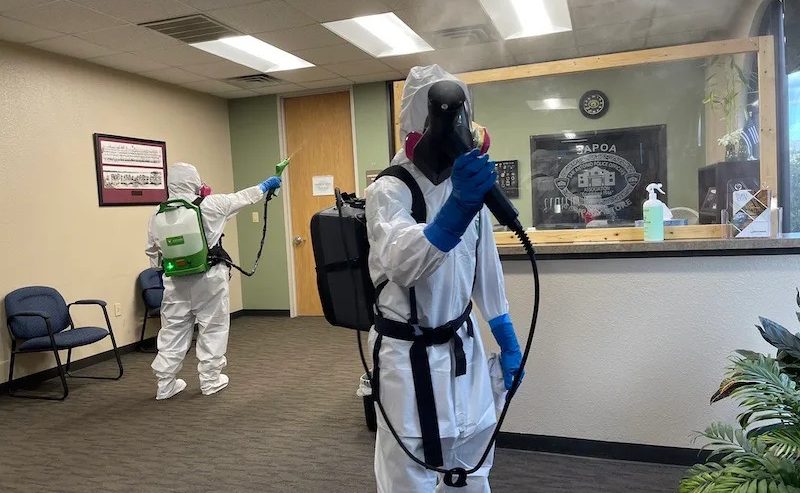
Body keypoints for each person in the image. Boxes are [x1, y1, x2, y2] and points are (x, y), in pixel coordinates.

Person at [365, 64, 523, 492]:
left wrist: (504, 332)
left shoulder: (464, 180)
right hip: (406, 352)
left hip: (462, 345)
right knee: (409, 466)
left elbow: (482, 262)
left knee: (472, 452)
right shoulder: (390, 190)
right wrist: (455, 211)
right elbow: (402, 260)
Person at [145, 162, 281, 400]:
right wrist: (266, 185)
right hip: (209, 279)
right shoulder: (211, 204)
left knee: (172, 331)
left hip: (174, 283)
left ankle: (165, 385)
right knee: (213, 327)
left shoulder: (158, 213)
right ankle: (210, 380)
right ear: (195, 181)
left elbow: (153, 254)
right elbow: (243, 198)